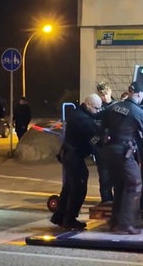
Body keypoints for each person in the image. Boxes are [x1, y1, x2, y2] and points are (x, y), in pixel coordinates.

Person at [100, 81, 143, 234]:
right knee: (134, 184)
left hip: (110, 152)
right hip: (124, 153)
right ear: (139, 94)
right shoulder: (137, 111)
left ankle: (115, 222)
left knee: (120, 186)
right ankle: (126, 224)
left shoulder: (113, 107)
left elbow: (101, 127)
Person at [50, 94, 103, 230]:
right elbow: (94, 138)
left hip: (69, 154)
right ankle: (69, 219)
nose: (98, 111)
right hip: (74, 155)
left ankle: (59, 217)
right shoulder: (83, 119)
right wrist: (102, 137)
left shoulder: (78, 113)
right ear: (89, 105)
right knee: (78, 187)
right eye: (96, 108)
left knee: (69, 187)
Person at [94, 81, 119, 204]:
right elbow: (94, 129)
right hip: (102, 147)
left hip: (115, 146)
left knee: (117, 175)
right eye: (101, 95)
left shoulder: (117, 106)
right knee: (104, 177)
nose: (104, 97)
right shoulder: (98, 108)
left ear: (110, 92)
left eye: (105, 94)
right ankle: (106, 200)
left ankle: (118, 200)